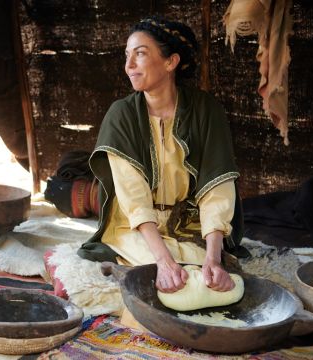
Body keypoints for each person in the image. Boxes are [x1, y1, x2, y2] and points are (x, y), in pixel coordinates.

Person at [78, 16, 249, 293]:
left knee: (207, 271)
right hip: (136, 227)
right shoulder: (121, 115)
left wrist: (213, 258)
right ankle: (166, 259)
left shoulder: (206, 110)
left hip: (190, 223)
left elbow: (217, 188)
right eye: (127, 56)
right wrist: (163, 261)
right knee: (168, 269)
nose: (129, 65)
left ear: (171, 62)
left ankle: (196, 260)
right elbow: (132, 197)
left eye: (140, 54)